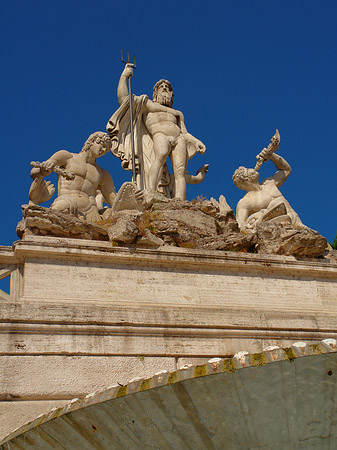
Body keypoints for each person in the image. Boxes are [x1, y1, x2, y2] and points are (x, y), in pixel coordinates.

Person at [107, 64, 206, 200]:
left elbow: (184, 132)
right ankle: (150, 191)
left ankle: (180, 199)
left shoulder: (178, 114)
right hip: (160, 134)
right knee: (160, 157)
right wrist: (124, 76)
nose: (165, 89)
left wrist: (196, 141)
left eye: (168, 88)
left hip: (179, 138)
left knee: (180, 170)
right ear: (156, 93)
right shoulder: (148, 104)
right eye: (162, 87)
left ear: (172, 94)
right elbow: (124, 99)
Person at [30, 132, 116, 223]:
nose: (103, 150)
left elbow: (113, 200)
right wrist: (43, 171)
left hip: (91, 212)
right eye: (102, 145)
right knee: (59, 210)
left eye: (106, 150)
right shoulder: (67, 157)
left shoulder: (103, 174)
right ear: (91, 142)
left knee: (109, 214)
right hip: (67, 204)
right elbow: (34, 172)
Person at [233, 147, 304, 231]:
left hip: (295, 223)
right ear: (245, 179)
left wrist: (271, 155)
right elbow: (241, 225)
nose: (252, 168)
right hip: (272, 231)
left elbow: (286, 170)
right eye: (248, 170)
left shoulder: (269, 183)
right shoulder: (244, 202)